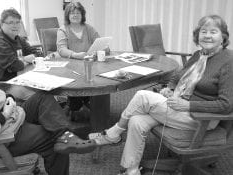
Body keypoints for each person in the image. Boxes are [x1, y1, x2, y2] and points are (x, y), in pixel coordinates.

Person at [89, 15, 233, 175]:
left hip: (201, 117)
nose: (207, 35)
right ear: (197, 35)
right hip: (179, 106)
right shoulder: (199, 55)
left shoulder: (229, 61)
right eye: (203, 31)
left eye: (213, 32)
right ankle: (131, 170)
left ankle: (114, 133)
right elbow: (178, 76)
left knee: (142, 96)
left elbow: (226, 105)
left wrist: (189, 105)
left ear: (223, 37)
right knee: (137, 121)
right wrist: (170, 87)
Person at [0, 35, 96, 175]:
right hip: (1, 138)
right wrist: (4, 115)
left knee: (42, 96)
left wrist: (8, 97)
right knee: (53, 139)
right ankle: (61, 138)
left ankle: (65, 135)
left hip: (12, 119)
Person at [57, 2, 100, 121]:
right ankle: (77, 104)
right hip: (71, 67)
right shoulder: (63, 30)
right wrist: (75, 55)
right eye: (72, 13)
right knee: (78, 82)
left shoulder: (88, 28)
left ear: (82, 15)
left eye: (78, 12)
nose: (75, 15)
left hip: (89, 64)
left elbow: (101, 43)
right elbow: (61, 50)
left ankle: (88, 102)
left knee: (96, 78)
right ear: (67, 15)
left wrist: (98, 50)